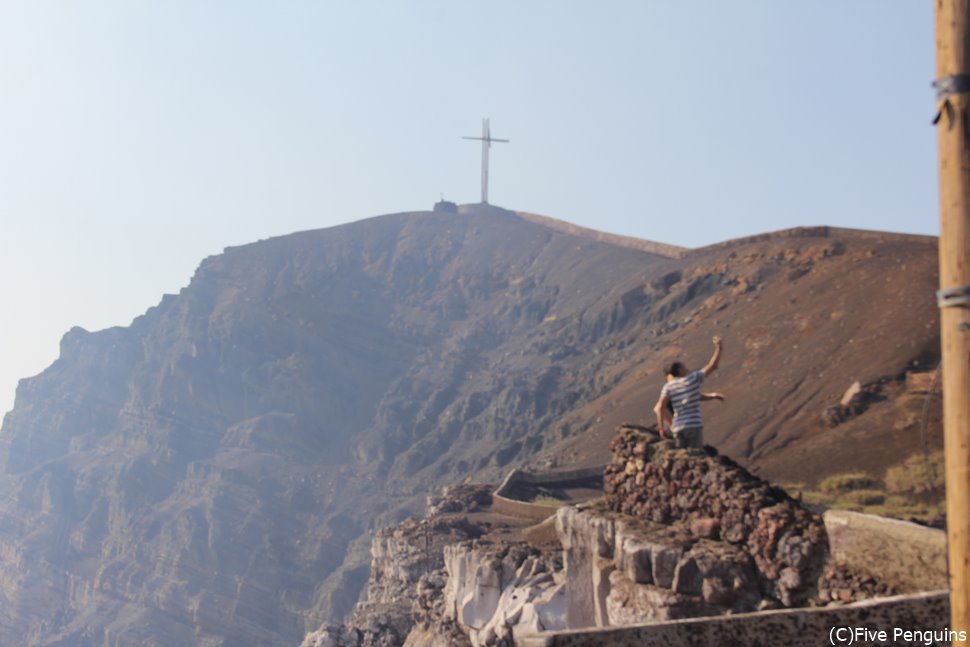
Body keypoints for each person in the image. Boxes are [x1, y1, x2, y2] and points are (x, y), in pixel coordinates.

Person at [653, 335, 723, 449]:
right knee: (696, 454)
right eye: (684, 366)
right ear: (679, 370)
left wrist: (661, 429)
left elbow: (660, 407)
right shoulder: (693, 378)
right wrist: (718, 348)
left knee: (683, 454)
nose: (687, 367)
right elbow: (712, 366)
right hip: (693, 426)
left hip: (678, 427)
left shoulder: (668, 387)